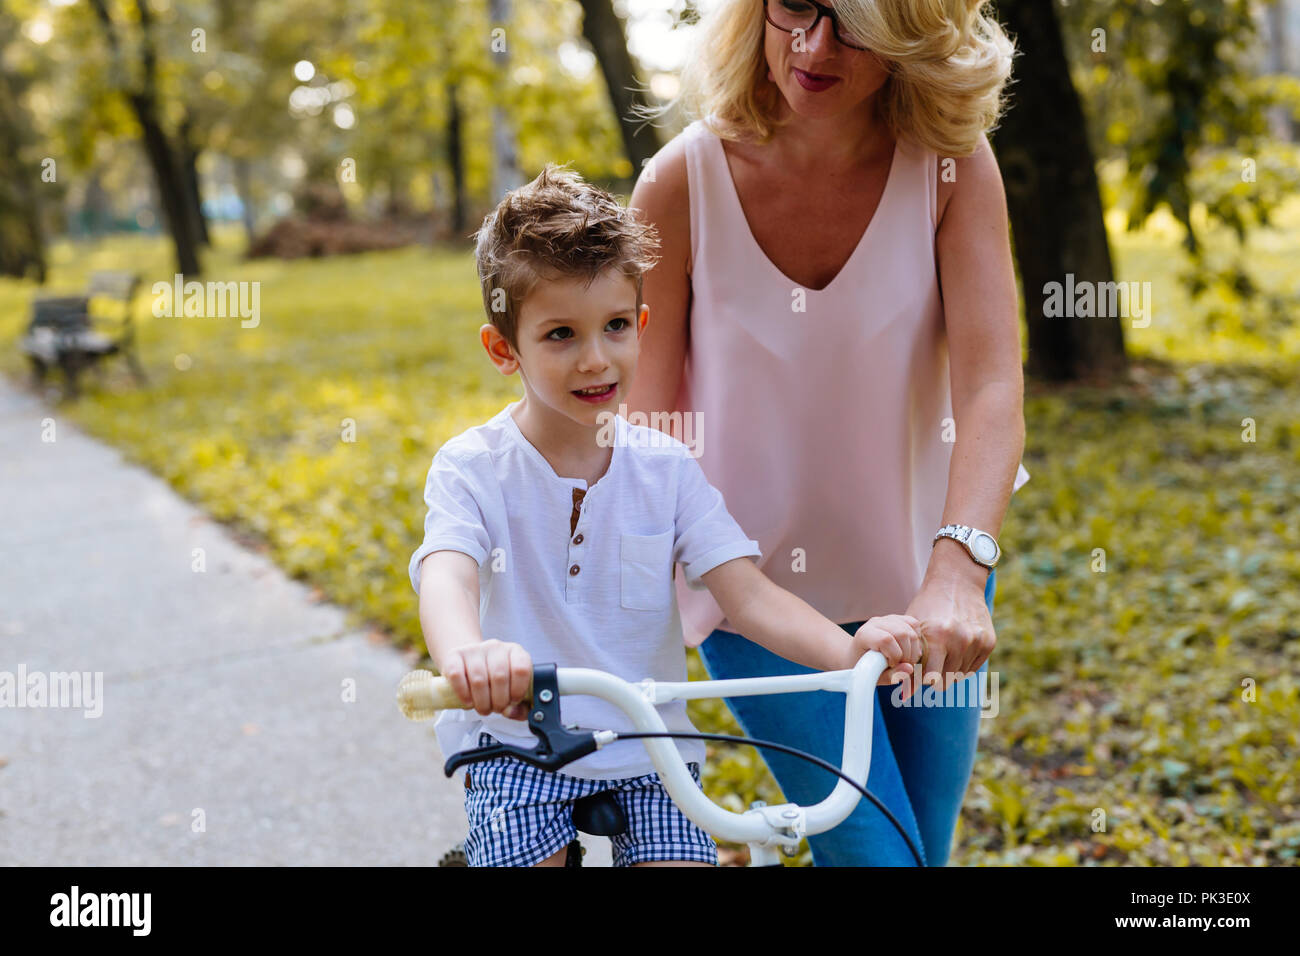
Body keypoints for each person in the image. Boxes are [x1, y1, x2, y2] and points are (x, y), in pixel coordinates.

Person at [408, 163, 925, 867]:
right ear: (505, 349)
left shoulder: (667, 467)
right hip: (516, 744)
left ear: (641, 325)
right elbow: (447, 573)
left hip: (648, 750)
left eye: (615, 326)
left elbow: (748, 595)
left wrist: (848, 654)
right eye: (561, 334)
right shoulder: (472, 467)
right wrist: (468, 654)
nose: (597, 359)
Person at [624, 0, 1030, 865]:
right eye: (797, 6)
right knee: (875, 857)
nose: (812, 46)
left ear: (911, 32)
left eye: (855, 23)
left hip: (932, 581)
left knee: (926, 849)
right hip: (756, 599)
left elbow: (992, 382)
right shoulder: (678, 184)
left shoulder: (951, 166)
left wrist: (959, 573)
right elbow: (648, 435)